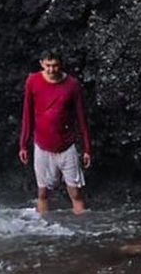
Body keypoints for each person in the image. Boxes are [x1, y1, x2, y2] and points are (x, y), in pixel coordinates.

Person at [18, 49, 92, 216]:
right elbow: (27, 114)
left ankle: (82, 229)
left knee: (75, 193)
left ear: (61, 65)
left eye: (55, 65)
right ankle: (44, 230)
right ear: (42, 64)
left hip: (67, 145)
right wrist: (23, 145)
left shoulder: (72, 84)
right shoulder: (33, 81)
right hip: (42, 145)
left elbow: (81, 117)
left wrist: (87, 148)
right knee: (42, 193)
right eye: (48, 66)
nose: (52, 70)